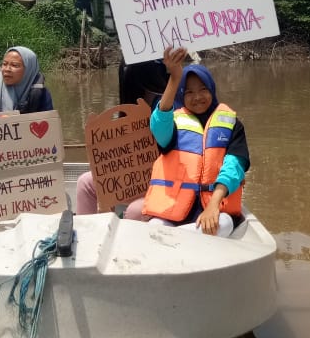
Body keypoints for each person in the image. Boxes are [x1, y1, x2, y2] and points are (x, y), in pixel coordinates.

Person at [142, 47, 250, 238]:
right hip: (174, 208)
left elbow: (234, 167)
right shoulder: (174, 123)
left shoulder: (232, 124)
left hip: (216, 205)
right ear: (182, 95)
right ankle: (173, 240)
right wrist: (174, 78)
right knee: (155, 226)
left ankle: (171, 241)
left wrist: (213, 205)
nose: (197, 97)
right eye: (189, 92)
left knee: (221, 224)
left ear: (212, 90)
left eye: (203, 90)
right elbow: (158, 126)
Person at [74, 55, 170, 217]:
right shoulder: (128, 106)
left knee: (134, 210)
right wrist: (108, 191)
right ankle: (89, 234)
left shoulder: (167, 105)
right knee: (85, 182)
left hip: (162, 179)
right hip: (132, 177)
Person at [0, 46, 54, 113]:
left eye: (14, 65)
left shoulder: (42, 95)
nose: (7, 69)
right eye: (4, 64)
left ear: (29, 70)